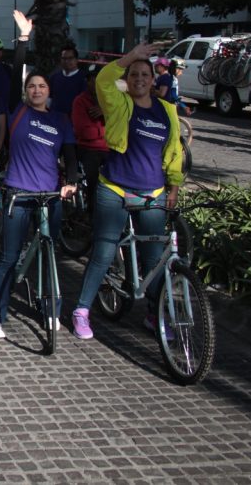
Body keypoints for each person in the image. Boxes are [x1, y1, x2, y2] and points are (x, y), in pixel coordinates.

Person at [70, 41, 184, 340]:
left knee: (153, 259)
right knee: (104, 251)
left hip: (153, 191)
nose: (139, 79)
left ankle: (154, 315)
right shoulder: (119, 103)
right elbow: (105, 80)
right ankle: (82, 310)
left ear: (153, 79)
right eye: (134, 74)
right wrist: (131, 56)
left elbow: (174, 152)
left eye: (145, 74)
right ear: (128, 79)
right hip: (115, 188)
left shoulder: (167, 111)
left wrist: (173, 187)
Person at [0, 12, 77, 338]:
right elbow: (16, 72)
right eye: (32, 86)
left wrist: (71, 182)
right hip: (18, 194)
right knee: (9, 258)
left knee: (49, 256)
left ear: (49, 91)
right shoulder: (18, 111)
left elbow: (70, 155)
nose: (36, 90)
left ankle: (50, 308)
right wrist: (23, 38)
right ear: (26, 92)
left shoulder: (60, 120)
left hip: (50, 196)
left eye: (42, 86)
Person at [70, 64, 107, 214]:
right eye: (93, 80)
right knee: (94, 182)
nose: (97, 83)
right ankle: (92, 216)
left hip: (110, 149)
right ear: (88, 81)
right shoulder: (80, 101)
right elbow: (84, 133)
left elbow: (122, 126)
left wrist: (105, 112)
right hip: (89, 150)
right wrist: (107, 130)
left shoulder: (110, 101)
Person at [48, 45, 86, 116]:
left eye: (70, 58)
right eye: (64, 58)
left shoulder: (84, 78)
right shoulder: (54, 77)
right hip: (54, 118)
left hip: (74, 119)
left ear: (76, 60)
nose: (66, 61)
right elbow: (49, 98)